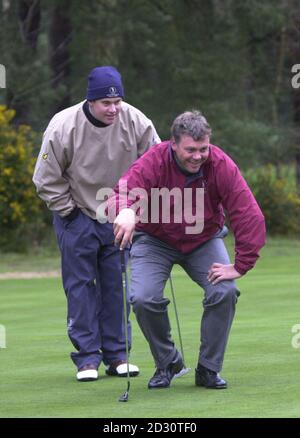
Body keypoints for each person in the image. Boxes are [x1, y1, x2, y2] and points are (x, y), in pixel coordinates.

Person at [111, 110, 266, 390]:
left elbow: (247, 213)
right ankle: (168, 361)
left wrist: (241, 265)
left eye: (203, 149)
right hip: (154, 239)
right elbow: (124, 189)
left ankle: (208, 369)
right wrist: (124, 211)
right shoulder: (155, 160)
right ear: (173, 144)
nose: (198, 156)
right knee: (143, 298)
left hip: (203, 240)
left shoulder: (220, 164)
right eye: (190, 150)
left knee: (225, 291)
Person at [33, 66, 160, 382]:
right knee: (80, 289)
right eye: (106, 103)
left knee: (116, 287)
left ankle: (118, 356)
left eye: (117, 102)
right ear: (91, 100)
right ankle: (87, 359)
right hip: (77, 215)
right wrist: (70, 213)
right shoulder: (63, 127)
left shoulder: (136, 121)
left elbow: (158, 162)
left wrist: (136, 208)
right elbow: (45, 179)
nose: (113, 109)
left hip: (119, 216)